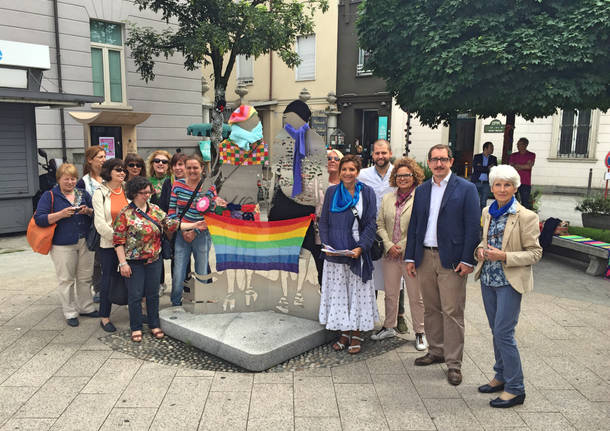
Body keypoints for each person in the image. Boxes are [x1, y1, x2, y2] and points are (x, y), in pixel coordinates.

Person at [405, 144, 480, 386]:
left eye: (443, 159)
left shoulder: (466, 189)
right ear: (428, 162)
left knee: (453, 312)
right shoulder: (423, 189)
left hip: (452, 260)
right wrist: (410, 257)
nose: (438, 164)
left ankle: (454, 363)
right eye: (434, 160)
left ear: (451, 161)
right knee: (430, 309)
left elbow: (473, 227)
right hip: (425, 256)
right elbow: (415, 224)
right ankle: (435, 351)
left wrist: (468, 259)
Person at [474, 165, 542, 408]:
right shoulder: (488, 211)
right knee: (496, 331)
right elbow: (484, 241)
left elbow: (535, 253)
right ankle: (501, 375)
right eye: (498, 185)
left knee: (504, 333)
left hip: (509, 282)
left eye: (507, 185)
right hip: (488, 279)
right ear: (491, 187)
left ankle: (516, 388)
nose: (502, 189)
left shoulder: (526, 216)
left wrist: (504, 256)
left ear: (515, 187)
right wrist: (479, 250)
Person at [113, 176, 206, 342]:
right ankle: (136, 326)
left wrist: (194, 225)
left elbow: (171, 224)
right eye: (143, 193)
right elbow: (118, 240)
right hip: (134, 262)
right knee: (134, 296)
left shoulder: (155, 209)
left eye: (149, 192)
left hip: (154, 260)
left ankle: (154, 324)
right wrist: (123, 263)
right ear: (134, 193)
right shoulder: (125, 213)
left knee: (153, 294)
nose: (147, 195)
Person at [318, 155, 379, 354]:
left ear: (358, 172)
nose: (347, 173)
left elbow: (371, 223)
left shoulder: (367, 193)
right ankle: (344, 333)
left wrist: (361, 247)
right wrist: (327, 243)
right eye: (344, 169)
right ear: (340, 171)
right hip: (335, 251)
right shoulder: (331, 192)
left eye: (352, 169)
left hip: (357, 250)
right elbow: (324, 221)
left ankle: (356, 334)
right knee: (340, 294)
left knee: (357, 294)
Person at [373, 158, 427, 351]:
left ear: (414, 177)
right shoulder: (388, 197)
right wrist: (388, 245)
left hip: (410, 255)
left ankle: (420, 332)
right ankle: (389, 326)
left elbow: (420, 227)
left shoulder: (420, 198)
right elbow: (379, 223)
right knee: (391, 293)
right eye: (399, 175)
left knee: (415, 295)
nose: (402, 178)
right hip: (389, 255)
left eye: (407, 175)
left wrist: (401, 246)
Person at [34, 163, 98, 327]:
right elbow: (40, 219)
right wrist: (60, 214)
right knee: (66, 279)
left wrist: (88, 211)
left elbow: (95, 213)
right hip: (62, 243)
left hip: (84, 241)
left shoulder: (82, 193)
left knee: (85, 277)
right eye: (66, 179)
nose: (70, 182)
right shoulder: (50, 195)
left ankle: (86, 307)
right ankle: (70, 312)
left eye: (73, 179)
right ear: (59, 180)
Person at [358, 140, 410, 333]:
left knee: (398, 276)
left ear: (390, 153)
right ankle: (370, 315)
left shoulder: (398, 174)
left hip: (395, 229)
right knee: (372, 274)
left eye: (384, 153)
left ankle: (400, 316)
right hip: (371, 229)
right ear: (373, 155)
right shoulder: (363, 175)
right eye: (377, 153)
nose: (381, 157)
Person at [168, 154, 223, 306]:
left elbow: (211, 214)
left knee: (201, 271)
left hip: (202, 235)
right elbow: (172, 211)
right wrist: (182, 229)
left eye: (195, 167)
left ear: (202, 169)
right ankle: (176, 302)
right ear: (184, 169)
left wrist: (195, 231)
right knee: (179, 271)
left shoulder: (209, 187)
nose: (192, 171)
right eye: (189, 167)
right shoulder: (177, 185)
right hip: (182, 234)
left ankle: (202, 301)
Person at [92, 158, 128, 333]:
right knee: (107, 280)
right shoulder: (99, 193)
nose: (122, 173)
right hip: (108, 244)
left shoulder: (127, 189)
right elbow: (100, 224)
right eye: (118, 170)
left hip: (129, 244)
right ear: (108, 172)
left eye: (123, 170)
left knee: (131, 277)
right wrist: (118, 239)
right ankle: (104, 317)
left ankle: (135, 310)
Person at [77, 145, 106, 303]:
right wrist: (87, 210)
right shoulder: (84, 182)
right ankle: (99, 289)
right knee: (96, 261)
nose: (103, 160)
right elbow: (79, 202)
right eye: (100, 157)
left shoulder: (109, 178)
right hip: (92, 226)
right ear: (90, 160)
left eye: (104, 156)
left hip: (110, 224)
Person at [508, 138, 535, 209]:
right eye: (517, 144)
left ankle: (523, 218)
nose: (517, 146)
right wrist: (523, 166)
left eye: (519, 144)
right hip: (514, 182)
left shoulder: (531, 155)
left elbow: (529, 167)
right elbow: (511, 167)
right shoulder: (513, 155)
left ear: (525, 145)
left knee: (525, 202)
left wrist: (516, 165)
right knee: (512, 201)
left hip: (525, 182)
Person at [472, 142, 497, 210]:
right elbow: (476, 168)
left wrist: (482, 167)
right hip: (476, 181)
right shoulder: (477, 157)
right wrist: (487, 168)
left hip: (486, 183)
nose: (493, 149)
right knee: (474, 201)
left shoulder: (493, 158)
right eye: (491, 148)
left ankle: (482, 218)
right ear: (485, 148)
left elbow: (493, 170)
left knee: (483, 202)